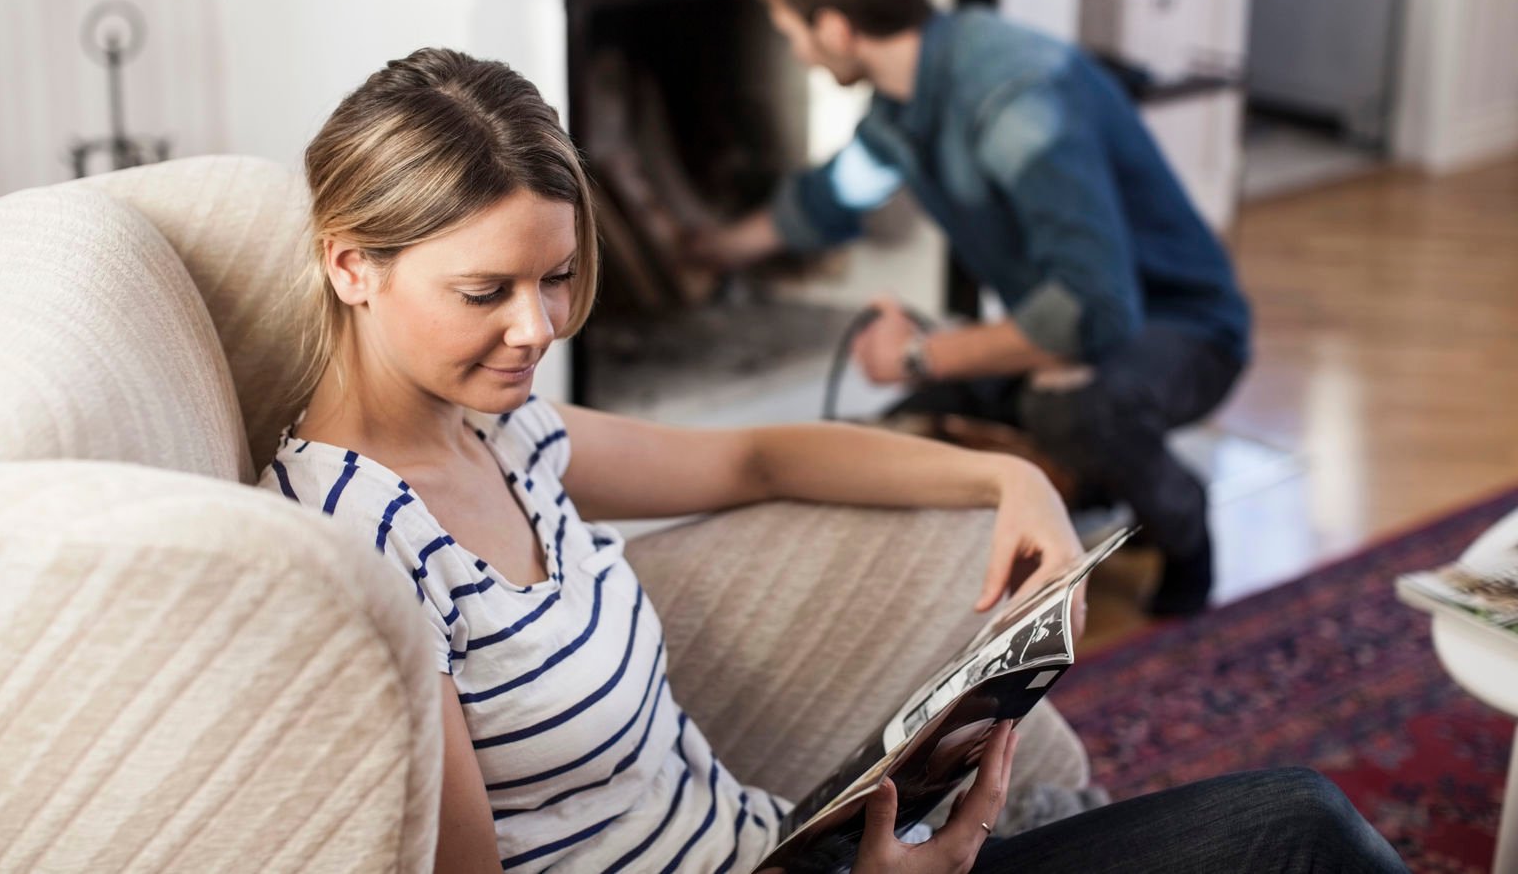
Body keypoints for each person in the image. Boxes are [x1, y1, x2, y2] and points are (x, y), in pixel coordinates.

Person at [259, 48, 1404, 873]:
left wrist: (1012, 479)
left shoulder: (504, 431)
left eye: (555, 276)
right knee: (1290, 831)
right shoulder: (359, 548)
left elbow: (756, 456)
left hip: (788, 844)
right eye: (485, 291)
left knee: (1291, 828)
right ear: (352, 266)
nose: (539, 325)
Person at [694, 0, 1253, 617]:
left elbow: (1092, 310)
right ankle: (1098, 483)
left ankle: (1182, 523)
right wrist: (714, 248)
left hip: (1183, 329)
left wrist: (924, 352)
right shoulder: (907, 99)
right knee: (909, 422)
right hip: (1076, 325)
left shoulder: (1015, 103)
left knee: (1069, 405)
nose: (797, 51)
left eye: (790, 32)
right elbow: (834, 194)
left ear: (835, 28)